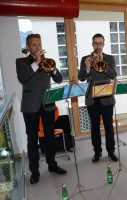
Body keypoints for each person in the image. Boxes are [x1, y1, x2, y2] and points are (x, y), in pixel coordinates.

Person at [16, 34, 67, 185]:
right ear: (28, 46)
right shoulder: (21, 62)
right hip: (30, 105)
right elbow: (23, 78)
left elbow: (58, 79)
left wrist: (53, 69)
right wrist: (37, 62)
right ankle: (35, 172)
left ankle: (52, 165)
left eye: (39, 44)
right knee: (32, 139)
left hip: (48, 103)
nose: (37, 47)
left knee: (50, 136)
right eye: (33, 44)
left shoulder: (47, 61)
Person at [78, 33, 118, 163]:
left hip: (106, 97)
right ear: (92, 44)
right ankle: (97, 152)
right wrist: (88, 67)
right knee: (94, 127)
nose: (98, 46)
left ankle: (111, 151)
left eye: (100, 43)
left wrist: (104, 65)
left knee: (108, 127)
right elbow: (81, 77)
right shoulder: (85, 58)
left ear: (104, 44)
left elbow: (113, 75)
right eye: (96, 43)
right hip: (91, 99)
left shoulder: (110, 58)